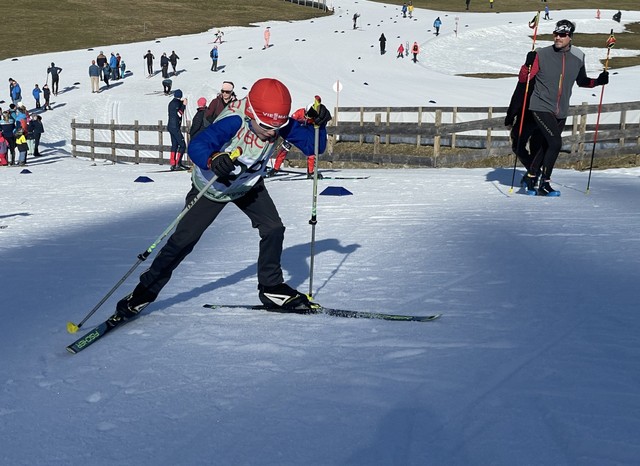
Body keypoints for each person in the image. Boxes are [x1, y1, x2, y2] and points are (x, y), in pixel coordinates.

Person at [112, 78, 328, 322]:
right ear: (251, 112)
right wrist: (214, 158)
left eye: (277, 127)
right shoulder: (234, 120)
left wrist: (319, 124)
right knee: (184, 240)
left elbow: (314, 146)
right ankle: (142, 294)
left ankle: (271, 287)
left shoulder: (276, 123)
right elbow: (199, 144)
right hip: (212, 189)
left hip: (247, 186)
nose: (272, 133)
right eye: (266, 125)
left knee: (273, 228)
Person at [519, 19, 609, 196]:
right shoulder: (541, 54)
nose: (558, 37)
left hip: (561, 109)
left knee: (548, 145)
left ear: (570, 37)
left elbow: (582, 81)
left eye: (562, 35)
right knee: (555, 143)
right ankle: (544, 183)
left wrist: (598, 81)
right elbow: (524, 79)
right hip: (540, 105)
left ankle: (531, 176)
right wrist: (527, 65)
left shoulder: (578, 56)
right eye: (556, 34)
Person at [268, 95, 332, 178]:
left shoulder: (312, 117)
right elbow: (291, 122)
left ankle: (310, 171)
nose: (306, 117)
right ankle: (276, 168)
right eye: (305, 114)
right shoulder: (299, 113)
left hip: (305, 135)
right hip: (293, 134)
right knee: (284, 149)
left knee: (311, 150)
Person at [167, 89, 188, 171]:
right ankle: (178, 163)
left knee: (174, 145)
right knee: (183, 145)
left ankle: (173, 163)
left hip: (170, 126)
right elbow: (179, 114)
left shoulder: (171, 103)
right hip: (175, 127)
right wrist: (184, 105)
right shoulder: (177, 104)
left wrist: (181, 103)